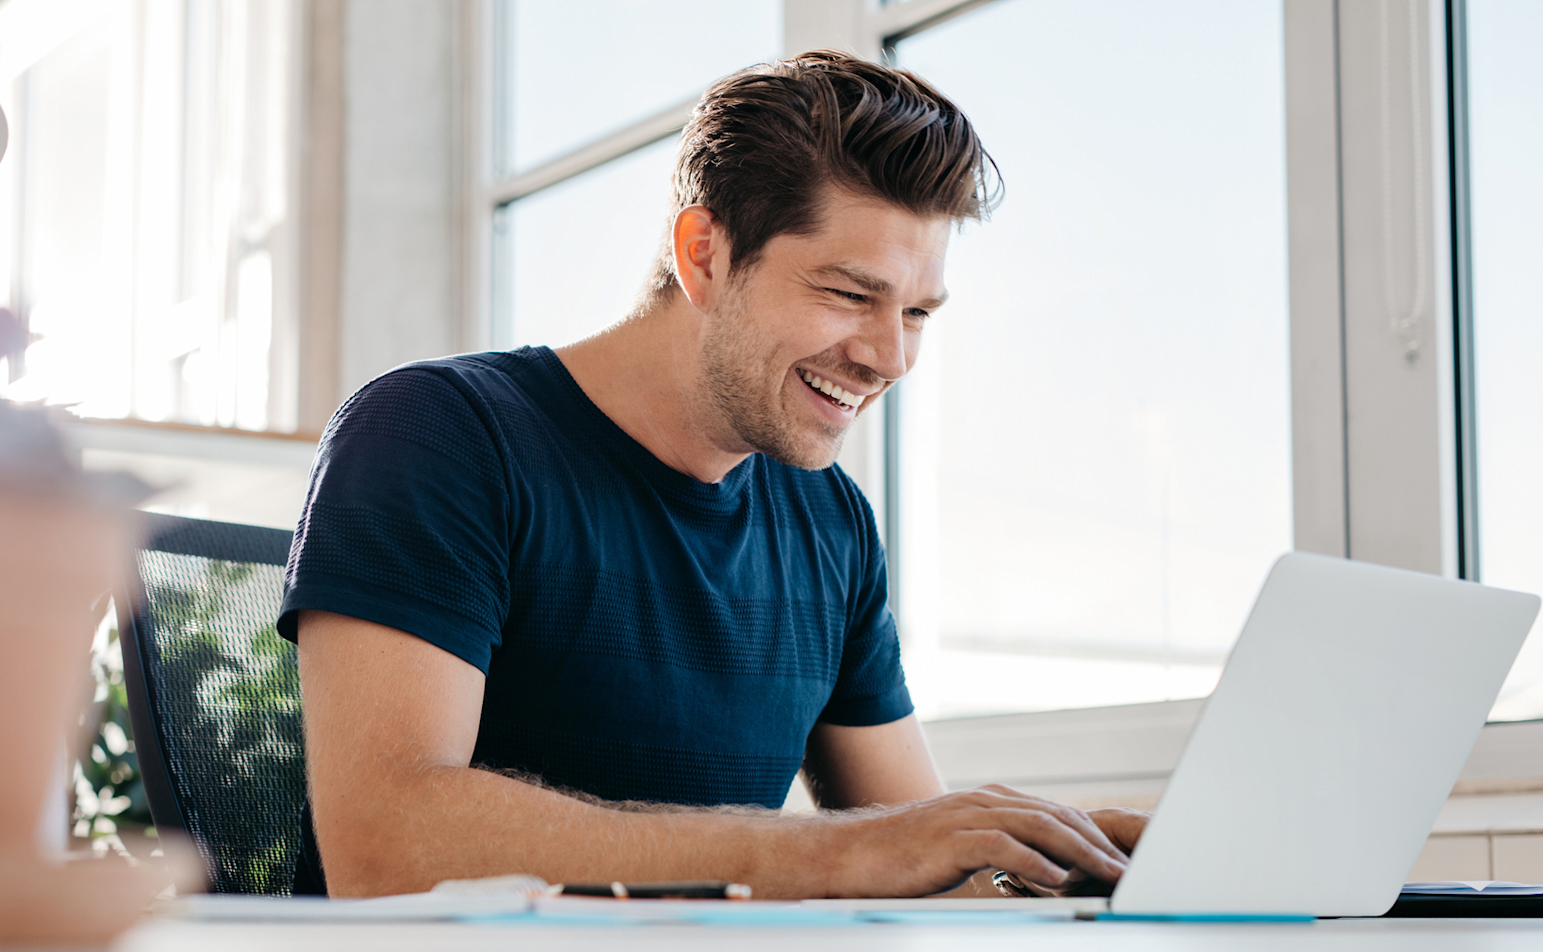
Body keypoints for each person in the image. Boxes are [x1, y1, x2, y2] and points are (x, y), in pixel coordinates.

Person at [276, 50, 1146, 898]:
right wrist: (827, 856)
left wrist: (1060, 865)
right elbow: (381, 849)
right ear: (703, 256)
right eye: (850, 294)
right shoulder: (439, 434)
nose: (889, 357)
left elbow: (911, 857)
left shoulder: (830, 520)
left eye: (916, 311)